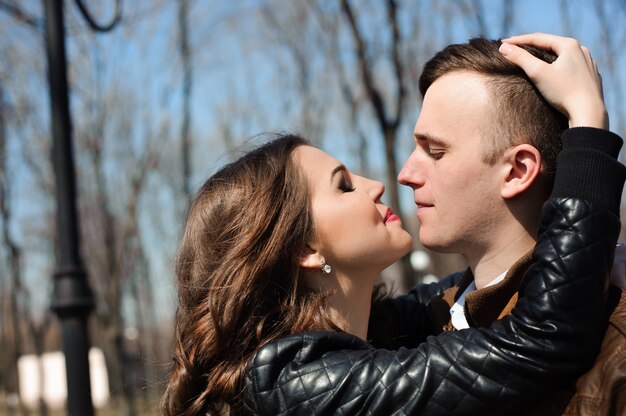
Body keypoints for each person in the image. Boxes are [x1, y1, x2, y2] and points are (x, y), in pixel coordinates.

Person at [162, 35, 624, 415]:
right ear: (305, 249)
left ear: (518, 170)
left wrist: (596, 254)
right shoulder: (298, 382)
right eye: (343, 186)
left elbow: (459, 298)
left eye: (434, 150)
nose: (393, 179)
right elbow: (541, 338)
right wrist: (589, 127)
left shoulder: (395, 327)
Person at [370, 33, 625, 415]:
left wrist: (588, 124)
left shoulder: (614, 348)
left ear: (517, 171)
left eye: (435, 151)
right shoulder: (426, 322)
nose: (406, 174)